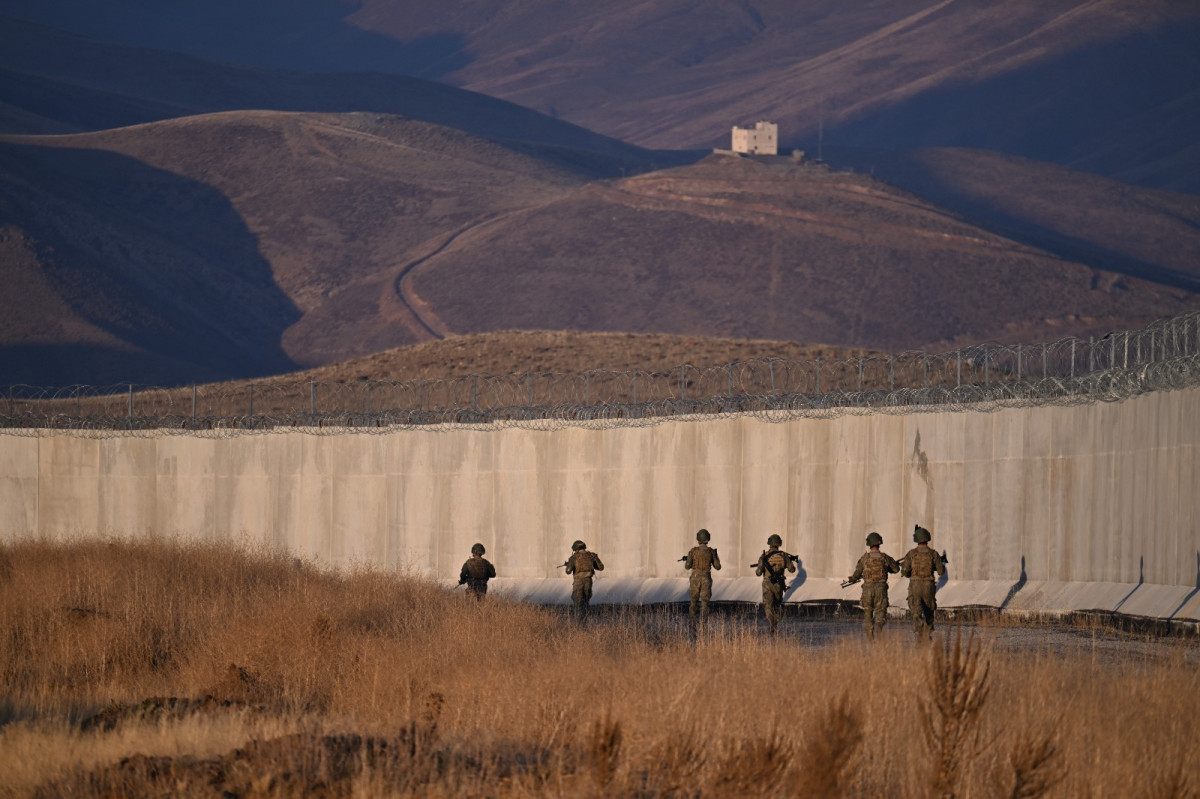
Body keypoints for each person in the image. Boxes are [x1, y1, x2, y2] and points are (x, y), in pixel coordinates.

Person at [847, 532, 899, 640]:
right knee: (880, 613)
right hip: (881, 590)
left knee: (868, 613)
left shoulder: (864, 558)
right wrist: (887, 568)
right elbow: (896, 569)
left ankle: (870, 637)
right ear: (879, 543)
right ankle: (879, 628)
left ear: (869, 544)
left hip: (868, 590)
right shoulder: (885, 558)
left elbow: (857, 574)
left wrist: (852, 578)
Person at [900, 525, 946, 640]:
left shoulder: (911, 554)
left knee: (916, 611)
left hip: (915, 585)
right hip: (928, 585)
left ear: (916, 539)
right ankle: (928, 632)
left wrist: (911, 572)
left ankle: (920, 631)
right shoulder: (933, 554)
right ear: (927, 538)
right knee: (929, 611)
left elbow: (905, 572)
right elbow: (941, 571)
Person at [755, 534, 796, 635]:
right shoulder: (783, 555)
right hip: (779, 584)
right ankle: (775, 626)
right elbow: (792, 569)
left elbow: (758, 572)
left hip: (767, 584)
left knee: (768, 606)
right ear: (779, 544)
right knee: (777, 605)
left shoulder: (764, 556)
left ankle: (771, 625)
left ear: (769, 543)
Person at [683, 528, 722, 631]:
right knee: (705, 603)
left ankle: (692, 626)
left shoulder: (693, 551)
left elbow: (687, 566)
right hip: (706, 578)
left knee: (693, 603)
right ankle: (703, 626)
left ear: (698, 539)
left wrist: (688, 560)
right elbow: (718, 567)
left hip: (695, 578)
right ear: (707, 539)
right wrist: (715, 555)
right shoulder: (711, 552)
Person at [564, 539, 604, 625]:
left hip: (578, 583)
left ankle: (579, 625)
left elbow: (568, 571)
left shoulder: (574, 557)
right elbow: (601, 568)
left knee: (578, 604)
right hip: (588, 582)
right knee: (586, 603)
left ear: (577, 549)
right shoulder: (591, 556)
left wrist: (569, 564)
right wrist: (596, 558)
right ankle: (586, 623)